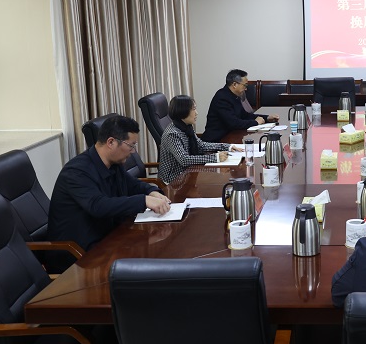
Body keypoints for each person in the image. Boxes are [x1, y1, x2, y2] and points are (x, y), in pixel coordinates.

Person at [48, 115, 171, 271]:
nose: (133, 152)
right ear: (111, 142)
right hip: (78, 253)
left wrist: (152, 191)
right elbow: (98, 205)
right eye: (131, 145)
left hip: (107, 237)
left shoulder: (113, 164)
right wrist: (144, 200)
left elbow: (132, 184)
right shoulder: (76, 172)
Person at [158, 95, 243, 185]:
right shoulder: (172, 134)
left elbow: (200, 145)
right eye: (193, 109)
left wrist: (227, 146)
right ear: (183, 111)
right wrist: (215, 158)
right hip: (174, 180)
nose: (196, 113)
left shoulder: (187, 127)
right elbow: (184, 160)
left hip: (188, 171)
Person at [201, 69, 279, 142]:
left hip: (230, 137)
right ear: (234, 84)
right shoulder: (222, 97)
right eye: (245, 85)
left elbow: (244, 115)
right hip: (216, 141)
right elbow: (233, 123)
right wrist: (255, 122)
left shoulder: (235, 96)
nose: (246, 89)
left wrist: (266, 118)